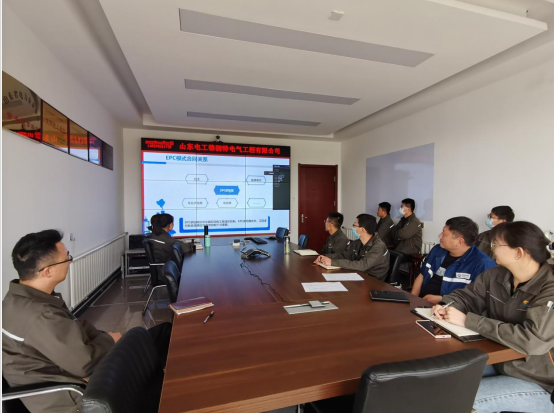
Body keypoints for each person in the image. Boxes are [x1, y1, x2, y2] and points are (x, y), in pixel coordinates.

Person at [2, 230, 172, 413]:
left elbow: (80, 329)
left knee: (161, 334)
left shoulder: (20, 299)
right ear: (47, 271)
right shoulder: (40, 315)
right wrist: (110, 340)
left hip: (71, 372)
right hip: (75, 397)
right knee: (148, 353)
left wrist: (104, 338)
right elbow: (85, 363)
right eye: (66, 258)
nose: (69, 262)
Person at [432, 222, 554, 412]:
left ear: (519, 252)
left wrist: (467, 320)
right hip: (501, 363)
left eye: (495, 244)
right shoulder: (496, 275)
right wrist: (446, 305)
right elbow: (467, 297)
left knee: (459, 400)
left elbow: (533, 340)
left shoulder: (549, 288)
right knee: (440, 378)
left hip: (539, 380)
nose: (491, 249)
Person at [411, 217, 496, 304]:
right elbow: (422, 275)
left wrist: (442, 300)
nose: (439, 235)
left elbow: (478, 300)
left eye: (444, 234)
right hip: (422, 302)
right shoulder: (437, 250)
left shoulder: (483, 264)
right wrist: (412, 299)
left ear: (459, 242)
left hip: (448, 309)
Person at [315, 214, 390, 280]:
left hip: (373, 281)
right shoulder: (358, 242)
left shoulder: (378, 246)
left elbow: (362, 265)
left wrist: (332, 262)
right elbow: (345, 254)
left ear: (362, 229)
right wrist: (326, 257)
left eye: (354, 225)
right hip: (359, 275)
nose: (353, 227)